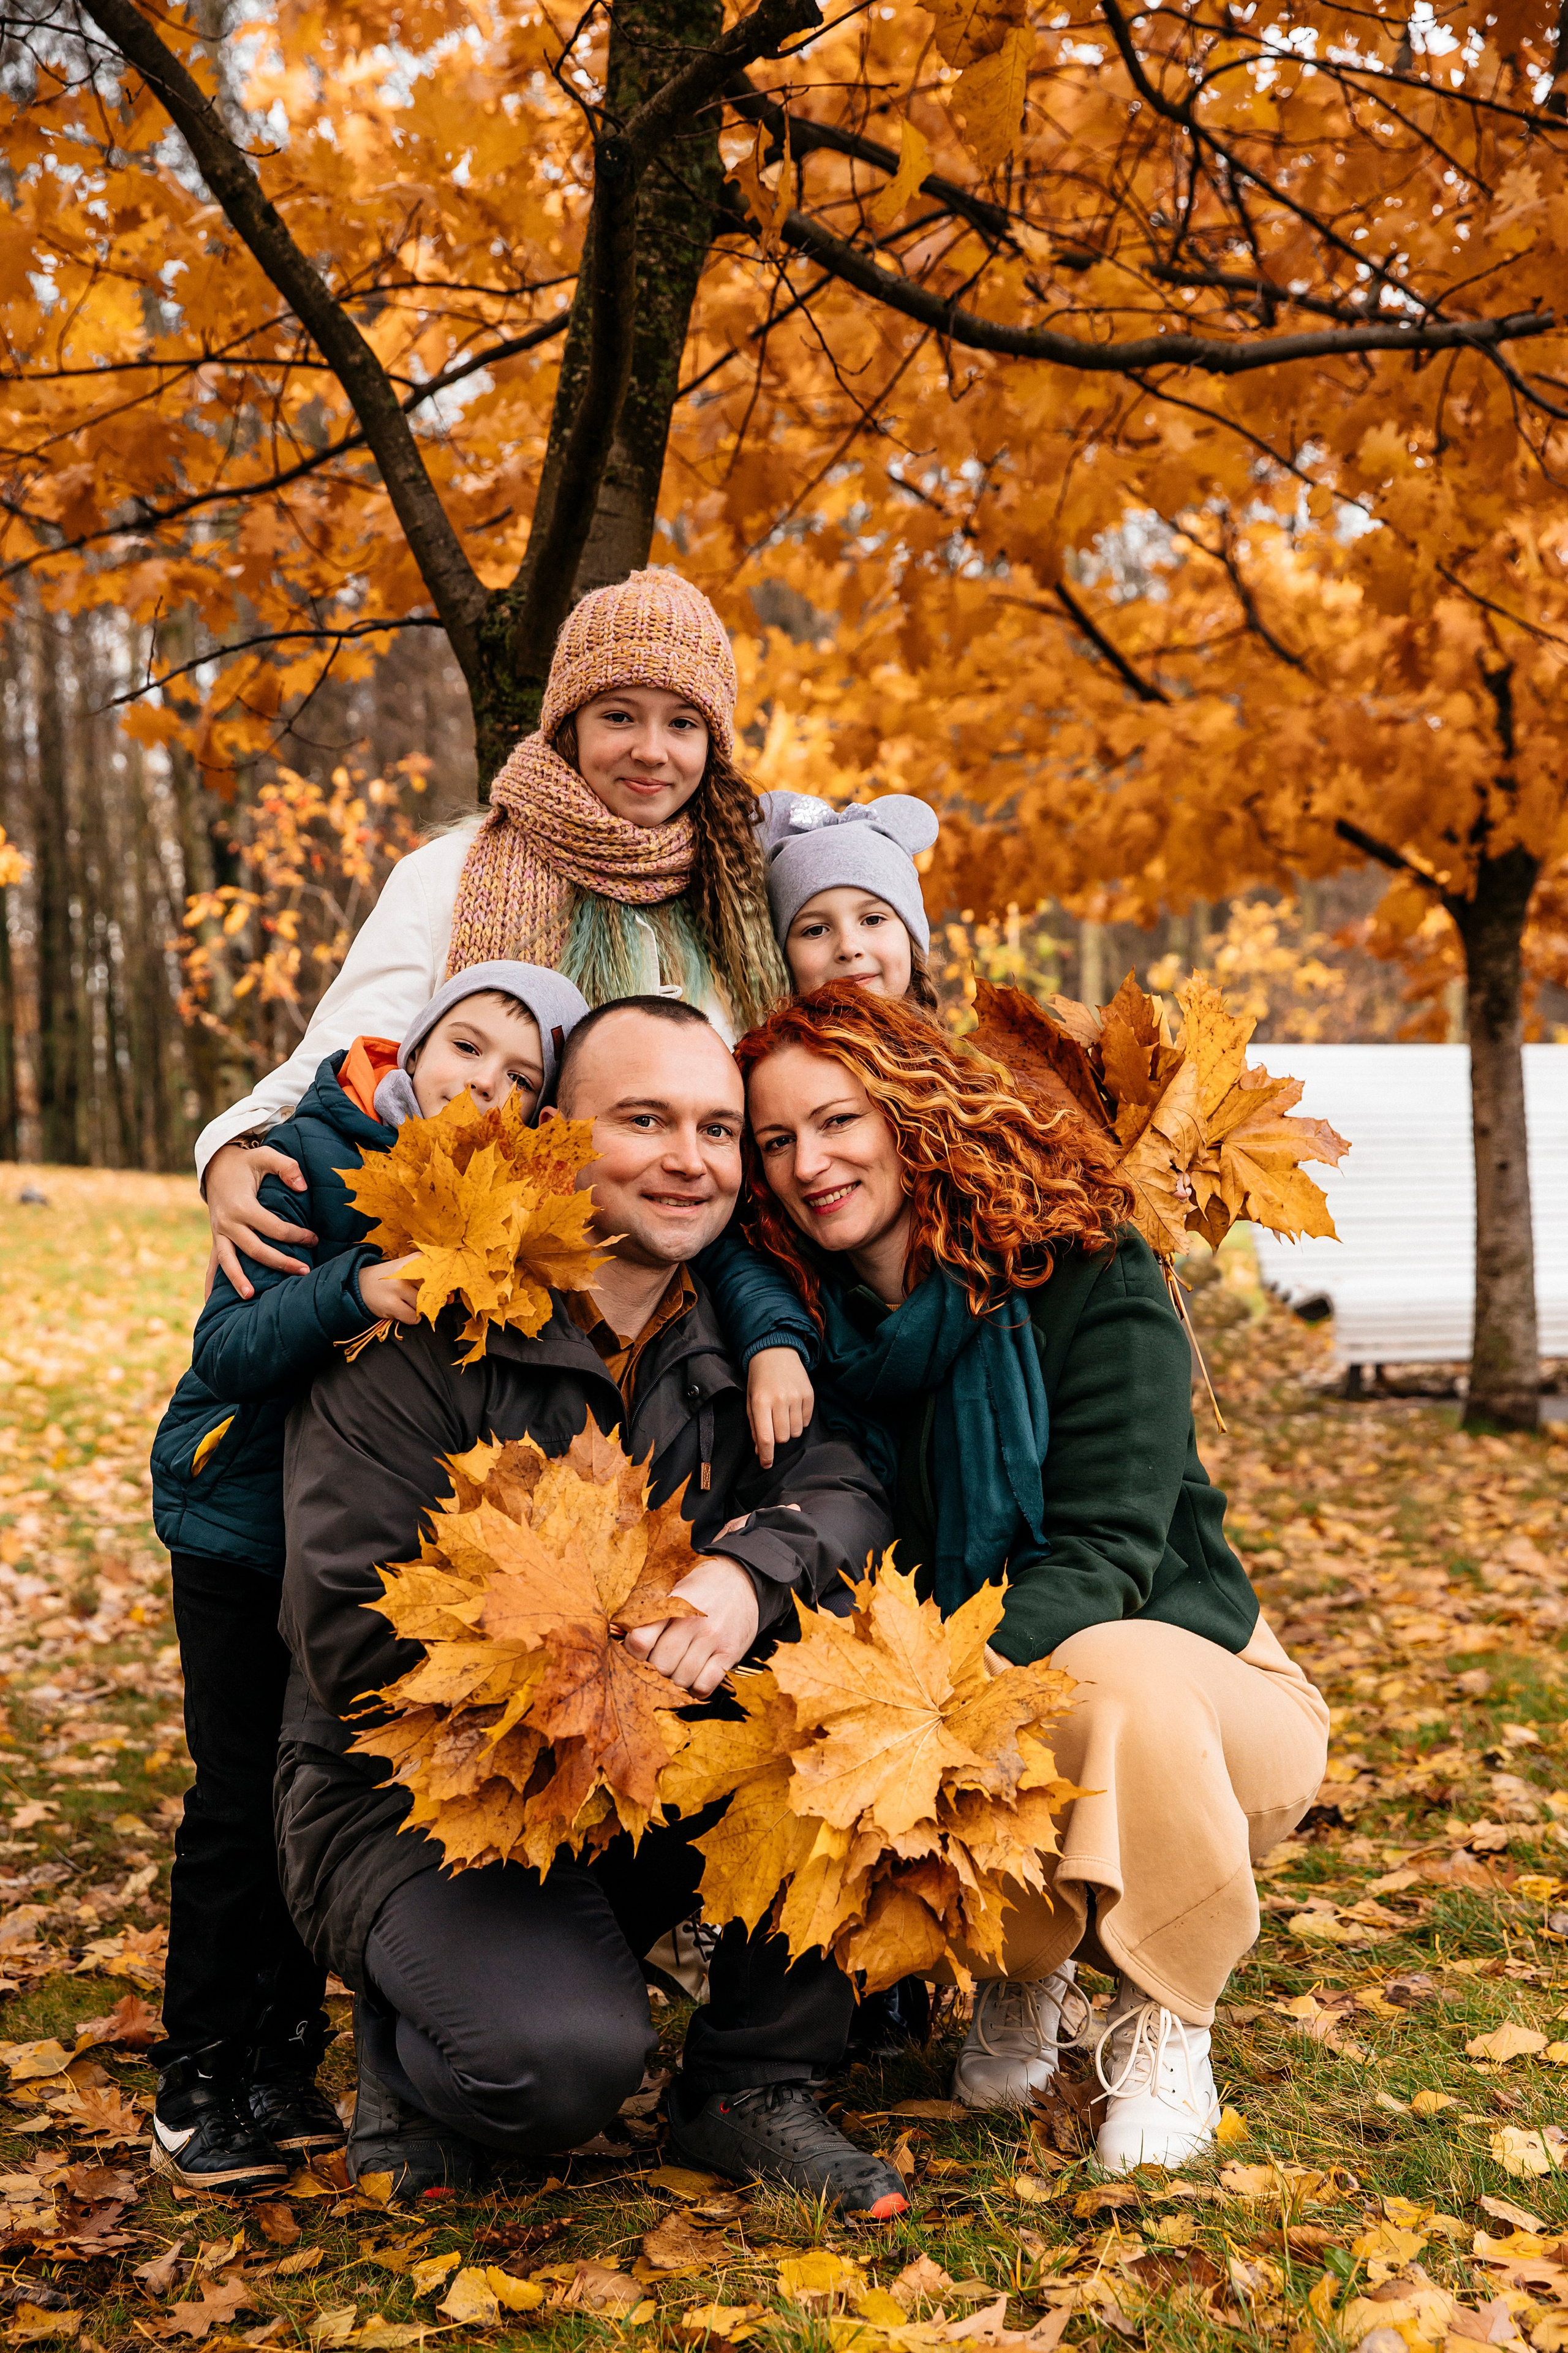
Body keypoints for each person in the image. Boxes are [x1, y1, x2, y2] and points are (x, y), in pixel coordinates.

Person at [276, 998, 907, 2215]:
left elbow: (842, 1485)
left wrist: (743, 1573)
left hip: (646, 1767)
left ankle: (751, 2083)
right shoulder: (429, 1316)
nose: (691, 1158)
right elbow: (350, 1628)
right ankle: (411, 2058)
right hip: (425, 1786)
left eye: (718, 1129)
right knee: (554, 2072)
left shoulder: (743, 1322)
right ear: (556, 1137)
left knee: (859, 1698)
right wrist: (616, 1637)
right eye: (644, 1120)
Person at [734, 986, 1330, 2174]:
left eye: (837, 1120)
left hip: (1201, 1693)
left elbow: (1103, 1558)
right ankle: (1028, 1967)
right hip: (1004, 1694)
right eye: (774, 1139)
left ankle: (1168, 2010)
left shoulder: (1090, 1277)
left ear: (910, 1110)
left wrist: (924, 1696)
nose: (809, 1161)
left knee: (1097, 1668)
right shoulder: (822, 1324)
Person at [193, 568, 815, 1475]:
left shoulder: (737, 912)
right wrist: (229, 1151)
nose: (652, 750)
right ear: (566, 724)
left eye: (682, 723)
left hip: (668, 1339)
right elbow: (340, 1064)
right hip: (462, 1331)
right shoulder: (449, 875)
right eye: (618, 715)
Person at [147, 962, 588, 2194]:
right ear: (409, 1052)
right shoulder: (307, 1156)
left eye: (521, 1078)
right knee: (237, 1795)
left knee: (308, 1787)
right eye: (466, 1049)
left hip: (352, 1549)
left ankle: (283, 2053)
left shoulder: (504, 1212)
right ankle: (198, 2069)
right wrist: (356, 1287)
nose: (482, 1086)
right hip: (240, 1528)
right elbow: (230, 1347)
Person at [758, 790, 941, 1009]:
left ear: (912, 938)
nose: (848, 948)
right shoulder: (772, 1044)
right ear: (783, 958)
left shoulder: (939, 1043)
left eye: (873, 920)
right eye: (816, 930)